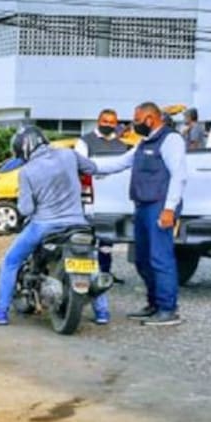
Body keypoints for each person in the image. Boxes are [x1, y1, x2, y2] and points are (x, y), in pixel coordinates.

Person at [0, 125, 98, 326]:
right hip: (77, 222)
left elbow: (26, 209)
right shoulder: (68, 154)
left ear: (23, 148)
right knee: (91, 262)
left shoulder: (27, 171)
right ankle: (103, 312)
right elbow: (93, 168)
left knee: (11, 261)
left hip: (44, 225)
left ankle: (0, 312)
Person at [92, 101, 187, 326]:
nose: (133, 124)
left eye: (136, 120)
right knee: (143, 259)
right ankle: (154, 304)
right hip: (143, 205)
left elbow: (179, 176)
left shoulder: (170, 140)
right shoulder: (144, 142)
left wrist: (169, 209)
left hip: (159, 206)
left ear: (150, 119)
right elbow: (120, 163)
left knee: (160, 258)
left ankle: (168, 309)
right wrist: (88, 165)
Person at [75, 109, 128, 325]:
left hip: (113, 203)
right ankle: (90, 294)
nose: (108, 125)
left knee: (106, 245)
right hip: (88, 202)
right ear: (98, 121)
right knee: (86, 246)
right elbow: (80, 168)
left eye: (112, 122)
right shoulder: (85, 142)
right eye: (105, 121)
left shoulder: (122, 146)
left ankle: (104, 277)